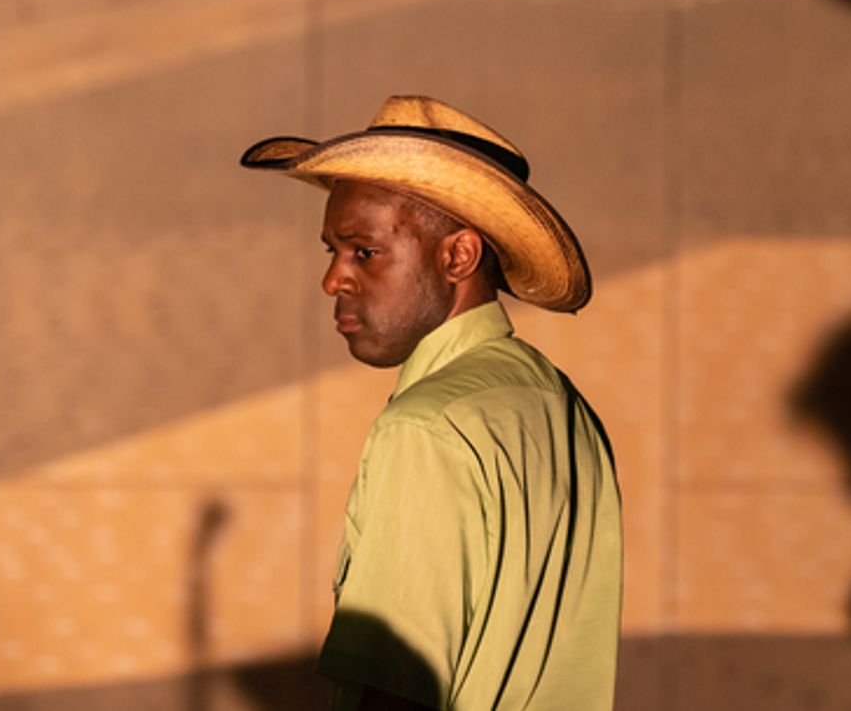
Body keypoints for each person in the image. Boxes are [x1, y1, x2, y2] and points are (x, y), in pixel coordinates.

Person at [240, 96, 622, 711]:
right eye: (331, 251)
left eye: (364, 251)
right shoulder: (562, 409)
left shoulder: (425, 428)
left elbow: (396, 689)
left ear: (458, 256)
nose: (333, 279)